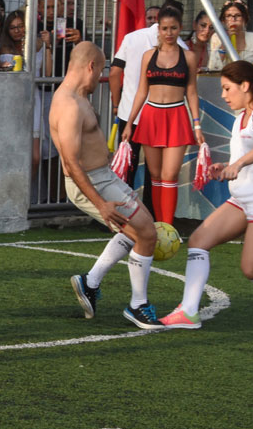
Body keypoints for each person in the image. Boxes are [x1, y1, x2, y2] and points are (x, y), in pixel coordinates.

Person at [160, 61, 253, 330]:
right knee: (198, 240)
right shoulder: (242, 116)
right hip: (242, 198)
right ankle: (189, 312)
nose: (224, 95)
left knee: (251, 270)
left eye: (228, 88)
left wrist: (237, 166)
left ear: (246, 86)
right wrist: (227, 165)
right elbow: (249, 153)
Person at [49, 41, 166, 330]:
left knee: (143, 225)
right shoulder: (69, 105)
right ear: (90, 66)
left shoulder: (77, 97)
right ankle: (138, 306)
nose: (100, 78)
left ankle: (90, 283)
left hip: (104, 175)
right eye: (100, 70)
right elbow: (71, 162)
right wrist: (101, 204)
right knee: (147, 234)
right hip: (93, 182)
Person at [123, 8, 203, 226]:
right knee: (155, 175)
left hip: (177, 116)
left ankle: (167, 227)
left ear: (180, 29)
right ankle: (158, 227)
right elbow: (141, 91)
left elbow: (192, 92)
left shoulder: (188, 56)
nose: (169, 33)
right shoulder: (148, 55)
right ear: (158, 29)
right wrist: (130, 122)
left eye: (174, 28)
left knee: (170, 175)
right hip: (150, 116)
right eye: (165, 28)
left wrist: (197, 125)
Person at [109, 0, 189, 198]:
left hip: (130, 112)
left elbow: (114, 72)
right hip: (161, 115)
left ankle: (123, 216)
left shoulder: (131, 37)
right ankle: (153, 219)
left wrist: (117, 104)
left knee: (126, 167)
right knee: (158, 174)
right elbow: (189, 87)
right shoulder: (181, 46)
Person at [207, 0, 253, 69]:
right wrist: (225, 41)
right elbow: (212, 67)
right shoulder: (216, 37)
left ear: (245, 19)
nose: (233, 19)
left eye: (238, 15)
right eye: (228, 16)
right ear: (223, 20)